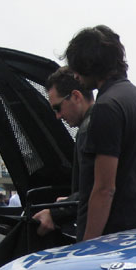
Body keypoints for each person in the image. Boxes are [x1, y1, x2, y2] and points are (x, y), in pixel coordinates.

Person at [63, 25, 136, 241]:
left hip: (118, 238)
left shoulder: (106, 107)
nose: (76, 76)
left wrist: (87, 246)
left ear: (89, 64)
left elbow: (104, 188)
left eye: (77, 69)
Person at [33, 66, 94, 237]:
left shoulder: (88, 130)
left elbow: (94, 191)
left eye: (58, 108)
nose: (58, 116)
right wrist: (69, 202)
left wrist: (56, 212)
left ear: (75, 96)